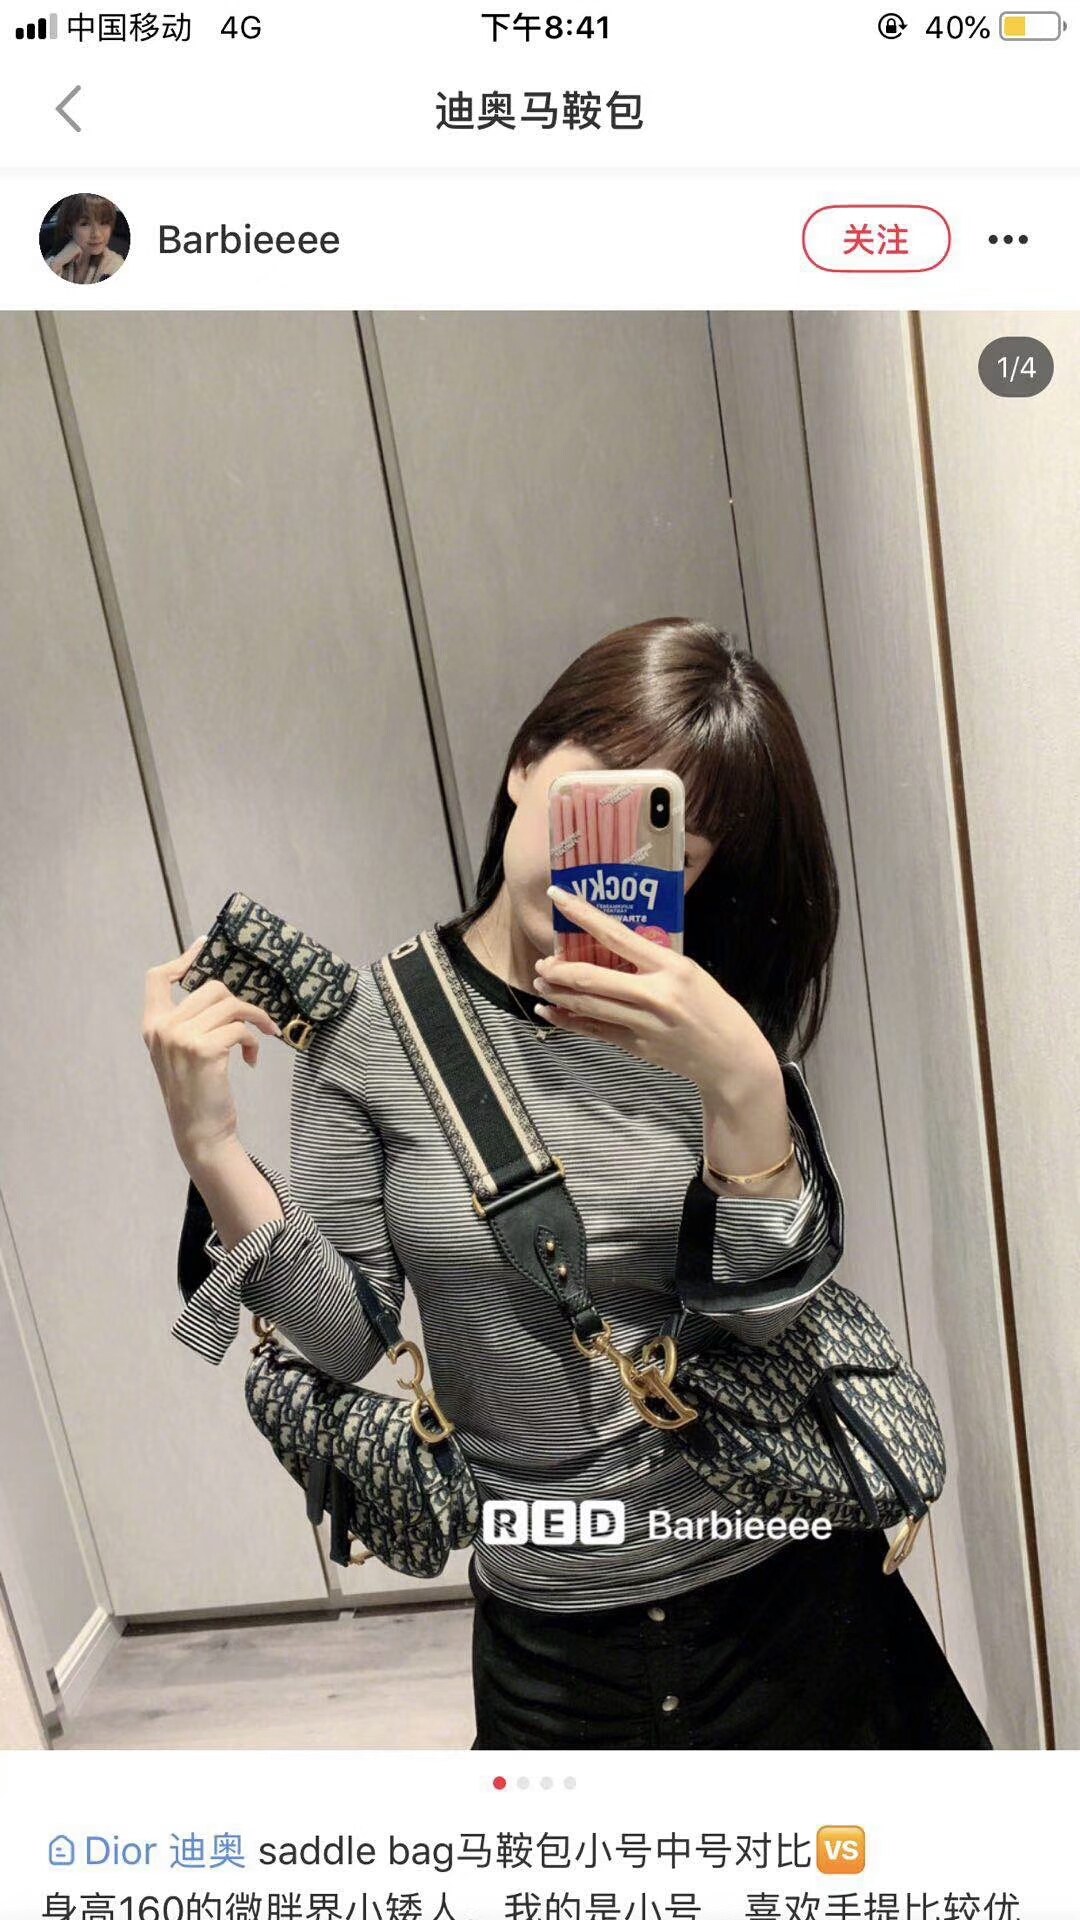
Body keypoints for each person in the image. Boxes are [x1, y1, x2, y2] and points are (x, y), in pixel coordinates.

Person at [144, 617, 992, 1749]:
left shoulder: (703, 1017)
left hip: (787, 1605)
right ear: (524, 762)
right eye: (593, 804)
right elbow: (344, 1340)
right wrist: (211, 1150)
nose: (609, 866)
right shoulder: (372, 1030)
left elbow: (761, 1320)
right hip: (554, 1650)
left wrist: (744, 1084)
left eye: (670, 846)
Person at [45, 194, 125, 283]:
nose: (97, 234)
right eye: (85, 224)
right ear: (69, 228)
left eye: (104, 223)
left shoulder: (115, 265)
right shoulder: (59, 255)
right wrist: (57, 263)